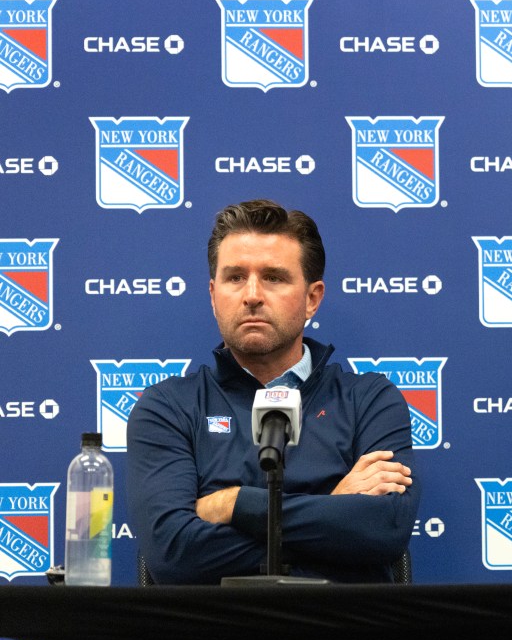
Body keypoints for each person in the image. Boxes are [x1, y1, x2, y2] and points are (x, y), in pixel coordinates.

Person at [127, 199, 419, 584]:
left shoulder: (369, 401)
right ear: (213, 296)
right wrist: (333, 508)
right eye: (235, 278)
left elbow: (384, 530)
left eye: (274, 278)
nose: (251, 295)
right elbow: (172, 551)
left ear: (312, 298)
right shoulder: (168, 408)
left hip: (342, 638)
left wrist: (233, 504)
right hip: (211, 638)